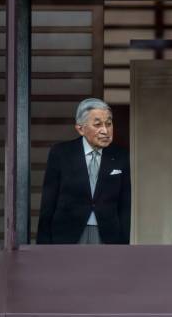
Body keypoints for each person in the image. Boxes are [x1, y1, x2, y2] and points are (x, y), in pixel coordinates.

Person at [37, 98, 130, 244]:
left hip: (107, 233)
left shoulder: (120, 156)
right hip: (67, 233)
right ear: (81, 128)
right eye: (97, 124)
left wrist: (124, 244)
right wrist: (43, 244)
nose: (105, 130)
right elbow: (48, 202)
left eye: (109, 124)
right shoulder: (61, 153)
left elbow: (125, 206)